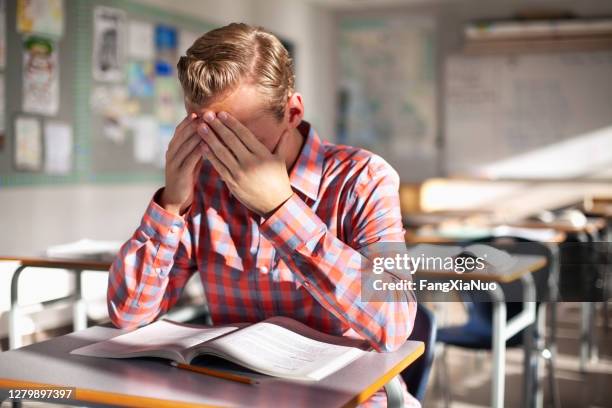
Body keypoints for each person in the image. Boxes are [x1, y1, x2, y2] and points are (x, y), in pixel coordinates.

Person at [107, 22, 418, 407]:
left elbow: (395, 323)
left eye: (239, 135)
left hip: (347, 396)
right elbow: (129, 314)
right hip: (233, 393)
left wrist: (281, 210)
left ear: (292, 112)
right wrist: (171, 203)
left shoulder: (364, 178)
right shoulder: (202, 184)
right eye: (205, 132)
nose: (223, 153)